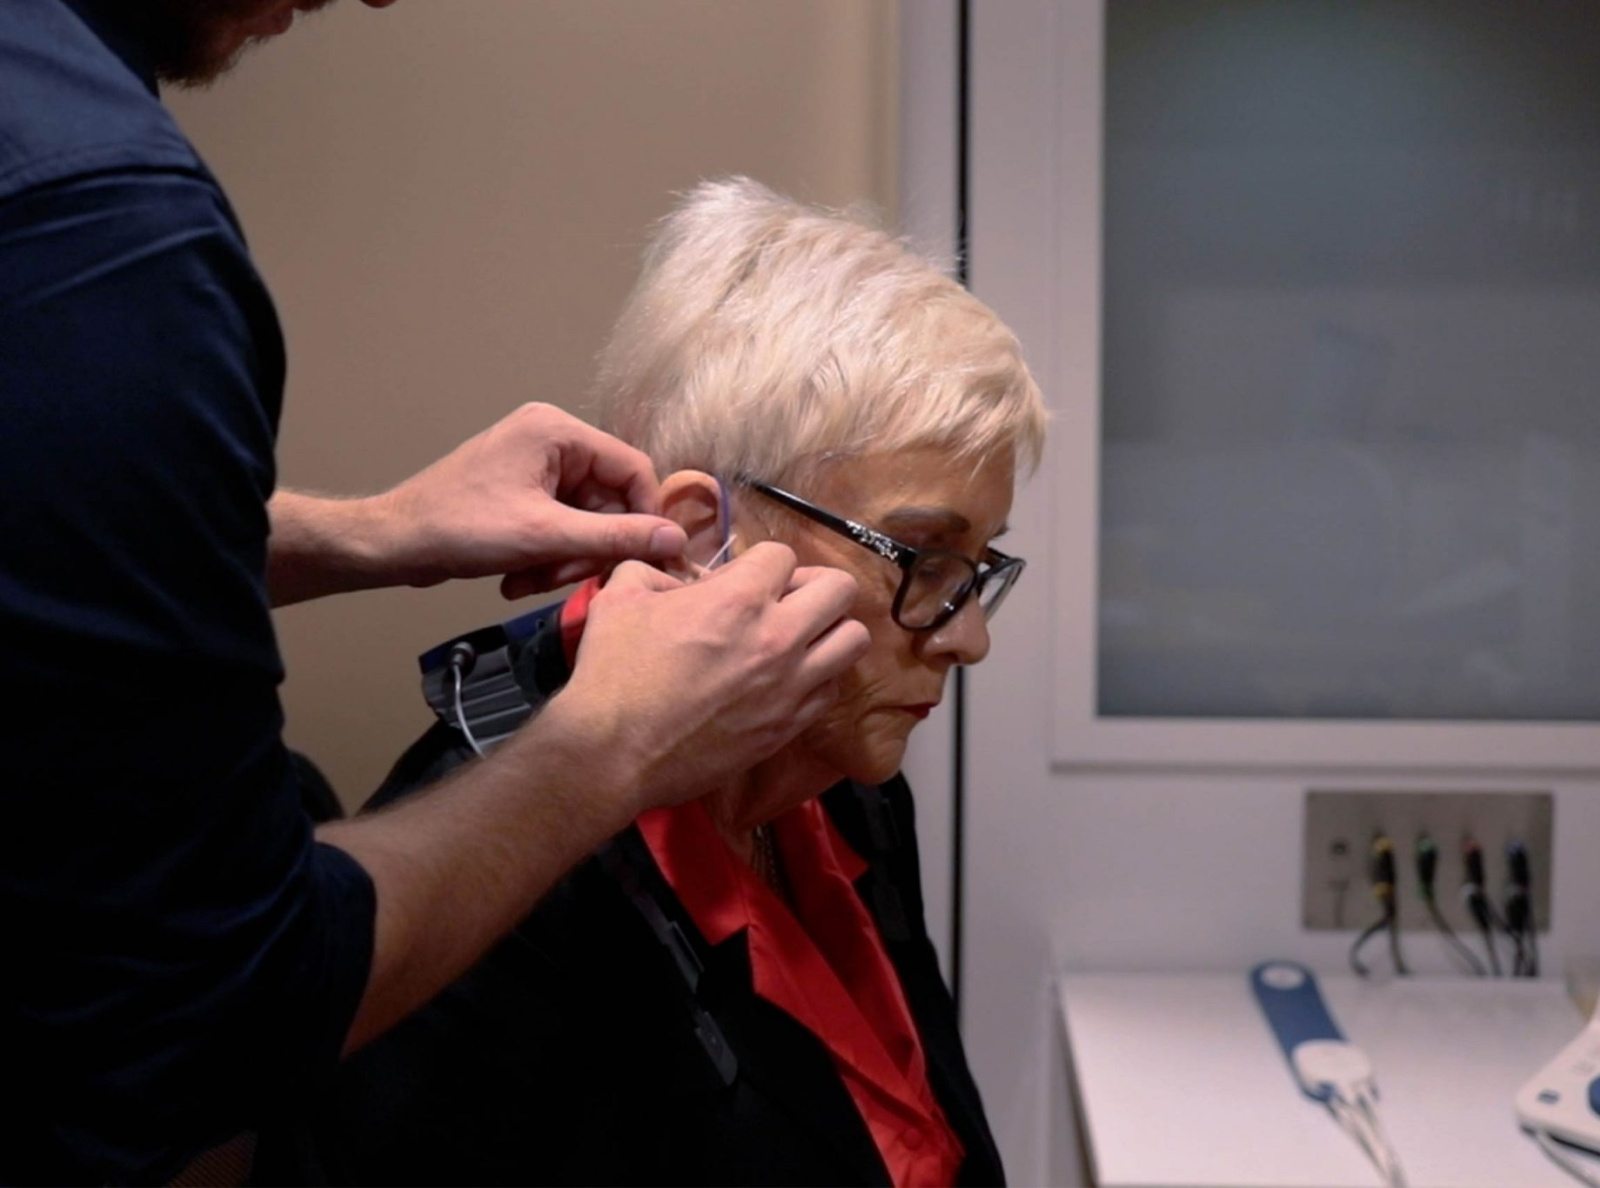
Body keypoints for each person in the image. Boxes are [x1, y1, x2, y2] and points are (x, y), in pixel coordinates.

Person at [0, 4, 870, 1182]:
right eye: (921, 556)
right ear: (701, 530)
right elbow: (208, 1020)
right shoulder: (95, 217)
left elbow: (50, 539)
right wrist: (611, 748)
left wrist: (375, 533)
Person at [284, 178, 1048, 1186]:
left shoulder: (839, 773)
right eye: (919, 558)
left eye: (977, 567)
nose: (969, 638)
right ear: (699, 537)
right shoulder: (499, 904)